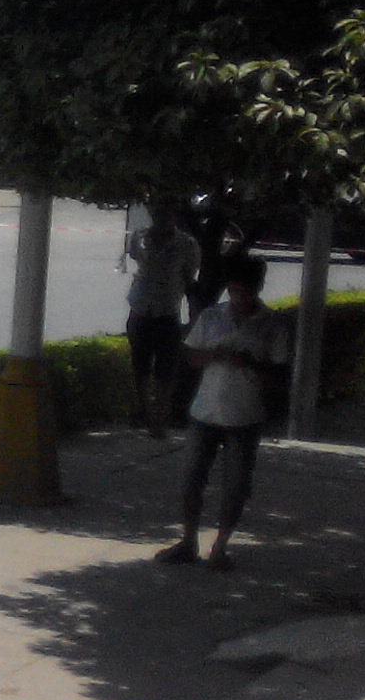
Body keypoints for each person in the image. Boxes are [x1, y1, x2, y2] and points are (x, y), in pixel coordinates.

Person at [158, 253, 289, 570]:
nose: (239, 297)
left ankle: (220, 546)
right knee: (191, 481)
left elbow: (280, 373)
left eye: (245, 290)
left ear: (256, 288)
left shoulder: (270, 324)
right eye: (234, 290)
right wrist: (214, 356)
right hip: (205, 411)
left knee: (236, 485)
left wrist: (251, 364)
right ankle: (188, 541)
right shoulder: (212, 317)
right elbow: (190, 356)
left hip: (244, 416)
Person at [122, 201, 198, 438]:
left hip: (167, 312)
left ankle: (161, 419)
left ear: (174, 216)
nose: (160, 218)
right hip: (140, 309)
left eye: (165, 214)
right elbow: (136, 259)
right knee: (140, 367)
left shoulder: (186, 244)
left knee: (166, 371)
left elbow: (189, 275)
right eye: (157, 213)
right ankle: (145, 414)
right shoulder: (139, 237)